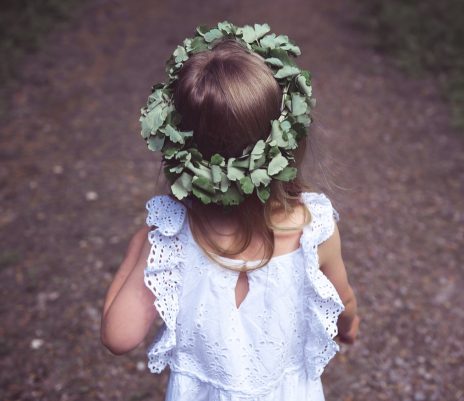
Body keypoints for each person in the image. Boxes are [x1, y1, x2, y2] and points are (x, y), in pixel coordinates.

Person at [101, 22, 359, 401]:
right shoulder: (313, 228)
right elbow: (343, 302)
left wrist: (138, 251)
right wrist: (348, 326)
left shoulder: (169, 241)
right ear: (286, 143)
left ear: (179, 151)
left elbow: (118, 336)